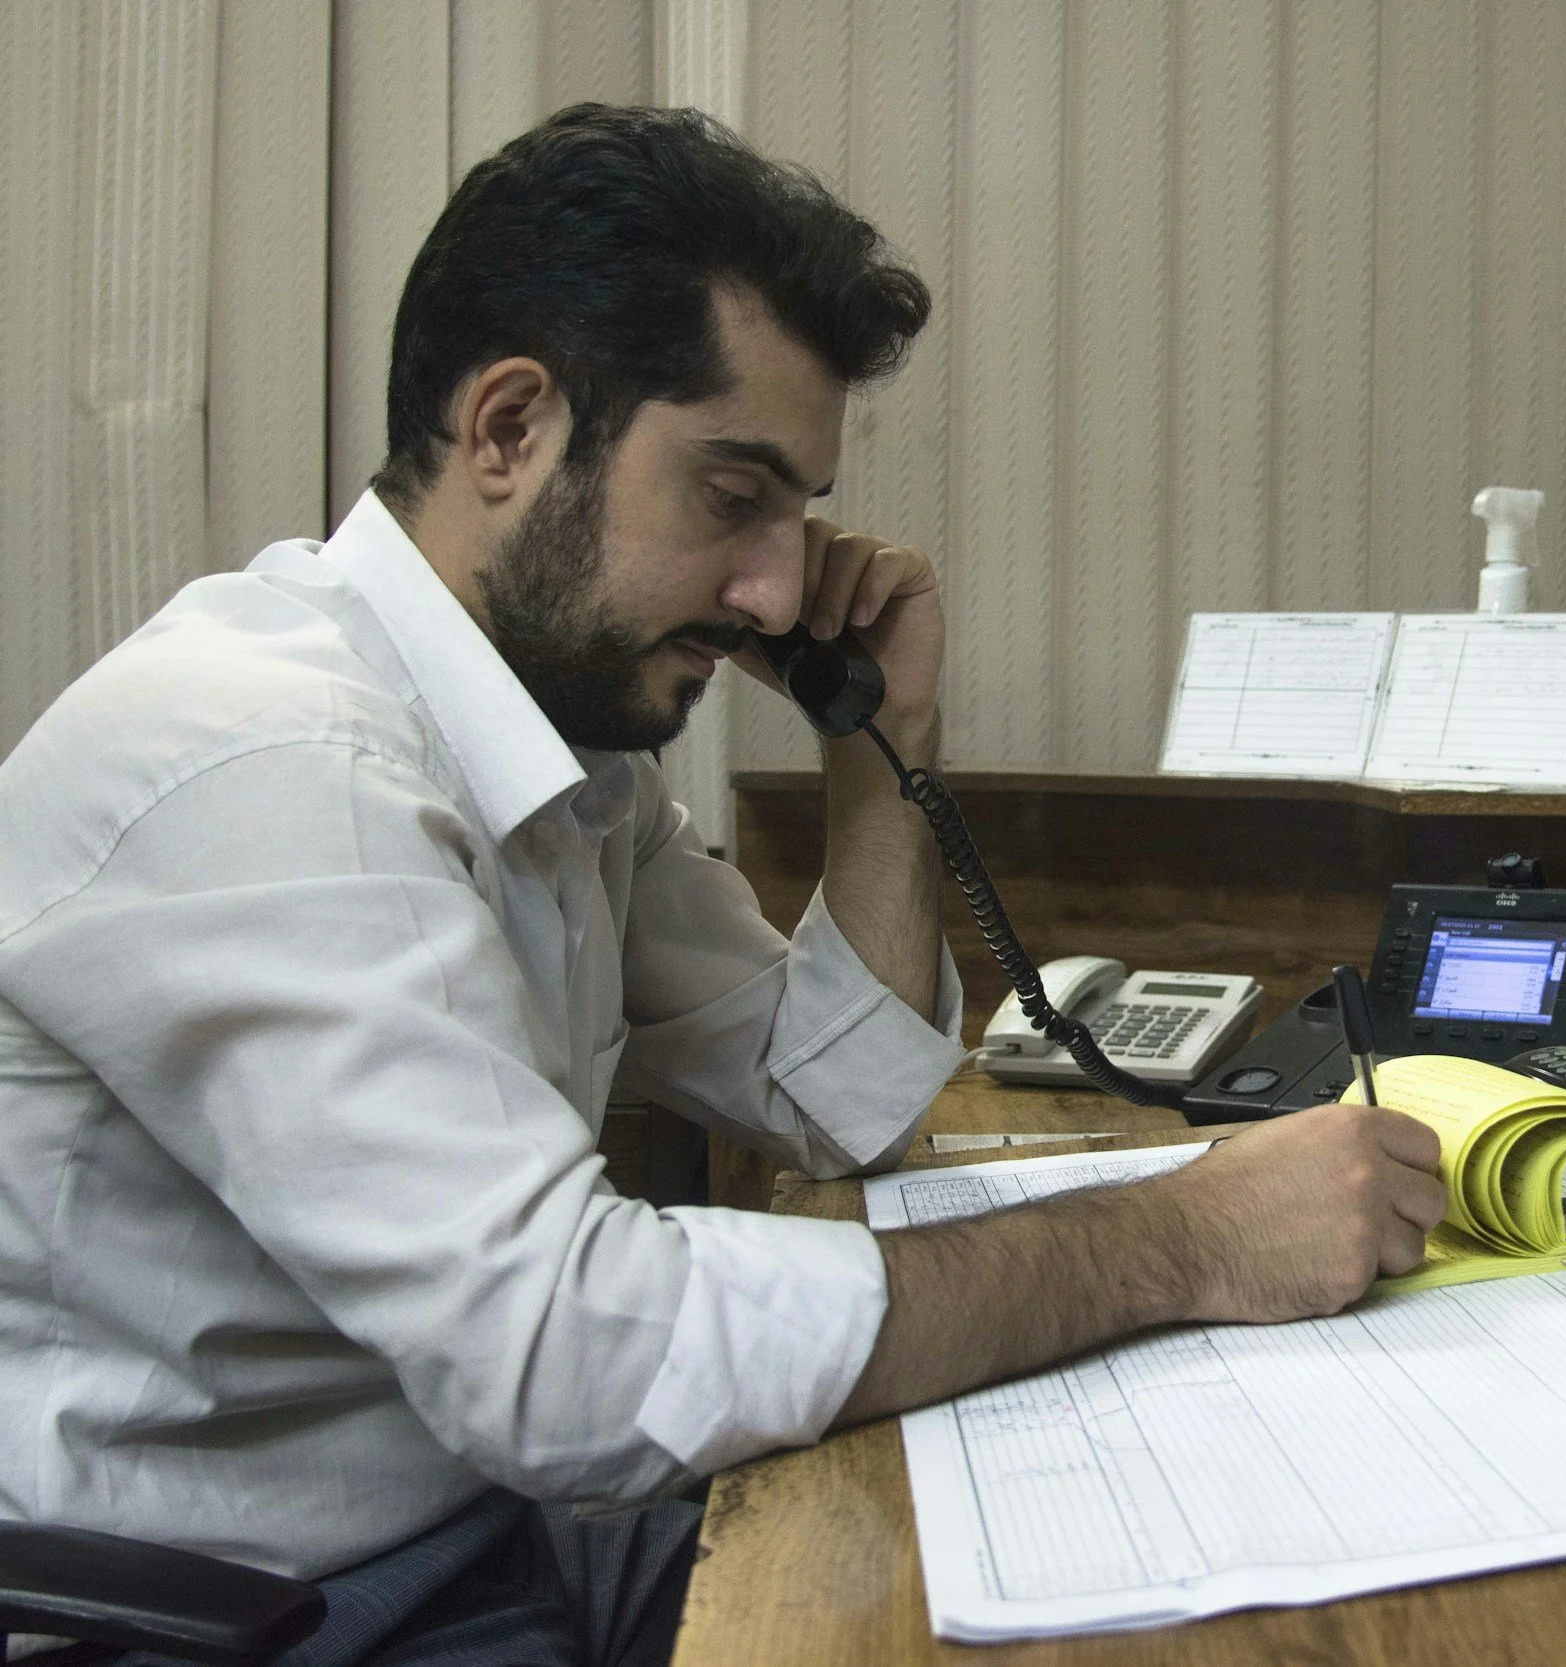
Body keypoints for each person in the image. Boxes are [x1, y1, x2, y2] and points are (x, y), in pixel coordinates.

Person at [0, 104, 1445, 1665]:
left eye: (798, 515)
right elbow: (573, 1355)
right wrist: (1181, 1240)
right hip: (248, 1616)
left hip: (471, 1525)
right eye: (731, 495)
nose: (774, 588)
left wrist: (880, 744)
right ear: (507, 432)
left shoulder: (552, 755)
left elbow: (837, 1095)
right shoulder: (269, 760)